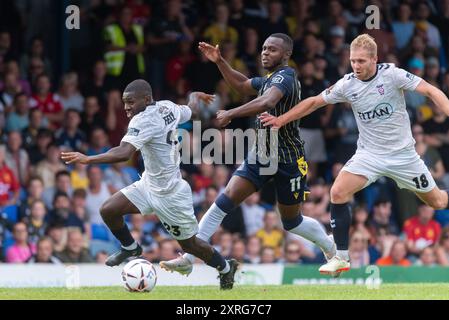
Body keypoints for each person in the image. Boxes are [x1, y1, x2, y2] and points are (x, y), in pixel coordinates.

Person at [260, 34, 449, 275]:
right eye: (353, 61)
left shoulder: (393, 75)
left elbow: (432, 91)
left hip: (403, 156)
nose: (356, 66)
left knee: (438, 202)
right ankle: (341, 257)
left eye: (361, 61)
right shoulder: (347, 84)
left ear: (374, 59)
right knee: (337, 192)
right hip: (369, 155)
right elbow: (314, 102)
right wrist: (281, 119)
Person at [162, 33, 336, 276]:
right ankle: (189, 257)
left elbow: (266, 102)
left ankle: (329, 246)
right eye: (264, 48)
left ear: (286, 55)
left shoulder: (287, 76)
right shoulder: (268, 78)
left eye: (272, 49)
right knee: (223, 202)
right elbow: (243, 85)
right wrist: (220, 61)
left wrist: (231, 113)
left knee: (291, 222)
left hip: (288, 158)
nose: (265, 52)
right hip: (262, 153)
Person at [61, 79, 238, 290]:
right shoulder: (168, 106)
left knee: (190, 245)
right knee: (109, 209)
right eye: (124, 102)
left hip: (171, 194)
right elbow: (190, 110)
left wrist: (88, 159)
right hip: (148, 184)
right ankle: (130, 247)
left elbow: (124, 153)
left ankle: (225, 268)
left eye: (130, 102)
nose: (126, 107)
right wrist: (195, 96)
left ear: (146, 99)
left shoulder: (142, 120)